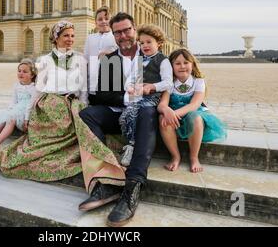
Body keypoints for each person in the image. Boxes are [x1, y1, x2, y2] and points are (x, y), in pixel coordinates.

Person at [0, 20, 125, 200]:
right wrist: (27, 114)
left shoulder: (80, 59)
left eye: (72, 36)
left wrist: (84, 105)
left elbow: (84, 89)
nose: (70, 39)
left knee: (82, 121)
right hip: (49, 104)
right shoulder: (45, 60)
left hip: (72, 103)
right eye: (65, 36)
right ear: (56, 38)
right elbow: (38, 89)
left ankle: (103, 169)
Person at [79, 13, 162, 227]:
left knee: (146, 111)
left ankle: (132, 186)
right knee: (87, 114)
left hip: (145, 115)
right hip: (119, 112)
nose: (123, 35)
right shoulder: (110, 58)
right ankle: (108, 180)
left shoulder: (152, 55)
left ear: (135, 29)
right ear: (113, 34)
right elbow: (101, 95)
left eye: (127, 30)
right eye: (118, 32)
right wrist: (127, 97)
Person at [159, 49, 227, 174]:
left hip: (192, 113)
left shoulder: (198, 81)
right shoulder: (169, 83)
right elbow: (162, 104)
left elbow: (194, 104)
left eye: (186, 62)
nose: (182, 66)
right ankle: (175, 156)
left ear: (192, 64)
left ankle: (194, 157)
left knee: (196, 118)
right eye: (177, 63)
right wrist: (166, 110)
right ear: (171, 67)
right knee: (163, 118)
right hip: (175, 115)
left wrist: (174, 114)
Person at [119, 25, 173, 167]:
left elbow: (168, 83)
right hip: (138, 95)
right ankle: (130, 142)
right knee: (126, 116)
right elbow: (130, 77)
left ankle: (132, 145)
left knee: (137, 112)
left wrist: (153, 86)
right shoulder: (138, 59)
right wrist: (129, 87)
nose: (145, 45)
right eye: (142, 43)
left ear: (159, 43)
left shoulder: (163, 60)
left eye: (149, 42)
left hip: (154, 97)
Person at [84, 6, 118, 105]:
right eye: (100, 19)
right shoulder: (90, 38)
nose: (103, 21)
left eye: (106, 19)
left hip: (109, 85)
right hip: (92, 84)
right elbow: (86, 59)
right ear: (95, 22)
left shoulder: (115, 37)